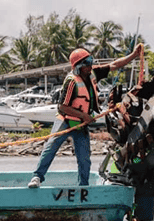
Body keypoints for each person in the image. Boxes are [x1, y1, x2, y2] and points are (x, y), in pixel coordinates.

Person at [28, 43, 144, 188]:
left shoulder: (93, 73)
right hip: (65, 121)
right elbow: (62, 107)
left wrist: (134, 55)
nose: (90, 66)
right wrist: (84, 115)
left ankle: (83, 187)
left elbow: (114, 65)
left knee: (84, 158)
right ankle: (37, 177)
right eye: (87, 63)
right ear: (78, 67)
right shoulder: (71, 82)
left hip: (81, 125)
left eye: (91, 62)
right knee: (51, 147)